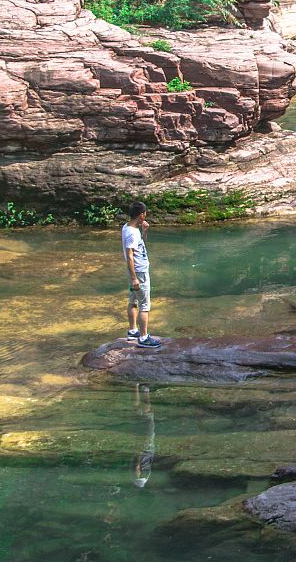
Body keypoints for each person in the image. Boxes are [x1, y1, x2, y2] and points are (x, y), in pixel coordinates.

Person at [122, 202, 161, 348]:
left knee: (133, 300)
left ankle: (133, 331)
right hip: (139, 272)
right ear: (141, 215)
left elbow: (141, 246)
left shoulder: (128, 228)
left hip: (135, 271)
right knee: (145, 305)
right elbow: (130, 255)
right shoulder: (132, 233)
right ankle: (144, 338)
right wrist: (134, 278)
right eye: (145, 213)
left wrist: (144, 231)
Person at [132, 383, 155, 488]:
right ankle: (137, 387)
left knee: (147, 411)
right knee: (138, 408)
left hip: (148, 442)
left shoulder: (147, 470)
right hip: (144, 441)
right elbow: (137, 464)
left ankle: (145, 391)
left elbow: (138, 465)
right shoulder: (145, 469)